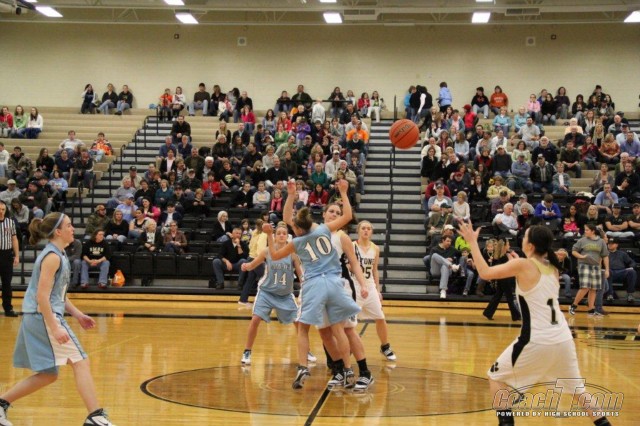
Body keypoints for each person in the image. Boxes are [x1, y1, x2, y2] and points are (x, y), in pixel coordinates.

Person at [458, 222, 613, 426]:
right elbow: (531, 274)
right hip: (563, 339)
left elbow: (485, 273)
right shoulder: (552, 267)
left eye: (524, 237)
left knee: (496, 377)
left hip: (537, 339)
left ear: (530, 245)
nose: (522, 239)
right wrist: (518, 262)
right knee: (579, 392)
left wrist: (472, 242)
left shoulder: (524, 265)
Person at [0, 213, 116, 426]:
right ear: (58, 232)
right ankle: (95, 416)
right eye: (69, 225)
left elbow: (58, 294)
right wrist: (54, 327)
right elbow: (42, 297)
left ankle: (1, 404)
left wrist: (77, 314)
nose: (73, 229)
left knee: (48, 374)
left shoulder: (59, 254)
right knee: (81, 361)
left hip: (39, 316)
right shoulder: (52, 257)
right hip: (43, 317)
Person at [265, 179, 361, 390]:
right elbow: (347, 216)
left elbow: (274, 254)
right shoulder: (324, 229)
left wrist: (270, 235)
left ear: (297, 228)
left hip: (314, 284)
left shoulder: (296, 242)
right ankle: (347, 370)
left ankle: (302, 366)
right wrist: (344, 192)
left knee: (303, 328)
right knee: (339, 329)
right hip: (335, 282)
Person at [239, 223, 304, 365]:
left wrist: (305, 288)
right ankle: (247, 351)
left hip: (285, 294)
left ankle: (306, 350)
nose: (281, 235)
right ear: (274, 236)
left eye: (284, 233)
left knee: (298, 323)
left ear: (287, 237)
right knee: (255, 319)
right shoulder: (267, 251)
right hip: (266, 293)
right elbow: (252, 265)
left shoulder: (293, 254)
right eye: (278, 233)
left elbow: (301, 275)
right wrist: (246, 266)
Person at [353, 221, 397, 361]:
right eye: (363, 228)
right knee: (350, 321)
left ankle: (385, 346)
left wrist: (378, 290)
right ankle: (350, 346)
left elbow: (375, 270)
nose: (366, 230)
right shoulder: (352, 246)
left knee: (380, 317)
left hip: (370, 286)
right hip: (354, 286)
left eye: (368, 228)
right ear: (358, 230)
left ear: (371, 231)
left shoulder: (375, 248)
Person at [569, 223, 609, 316]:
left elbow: (605, 256)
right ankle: (573, 306)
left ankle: (591, 309)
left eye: (587, 230)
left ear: (593, 231)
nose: (585, 231)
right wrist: (581, 256)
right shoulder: (582, 240)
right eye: (585, 230)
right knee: (585, 287)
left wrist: (607, 269)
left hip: (596, 266)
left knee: (593, 289)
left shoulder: (601, 242)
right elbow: (574, 251)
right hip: (584, 265)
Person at [0, 200, 19, 317]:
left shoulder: (10, 222)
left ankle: (8, 309)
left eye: (3, 209)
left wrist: (17, 255)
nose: (1, 212)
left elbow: (14, 239)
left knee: (7, 283)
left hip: (6, 255)